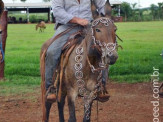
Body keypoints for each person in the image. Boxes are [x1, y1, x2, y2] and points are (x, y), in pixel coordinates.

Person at [46, 0, 108, 102]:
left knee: (104, 49)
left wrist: (103, 18)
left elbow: (102, 5)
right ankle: (50, 88)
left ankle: (101, 86)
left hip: (89, 26)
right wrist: (77, 20)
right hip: (66, 26)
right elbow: (57, 11)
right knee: (52, 52)